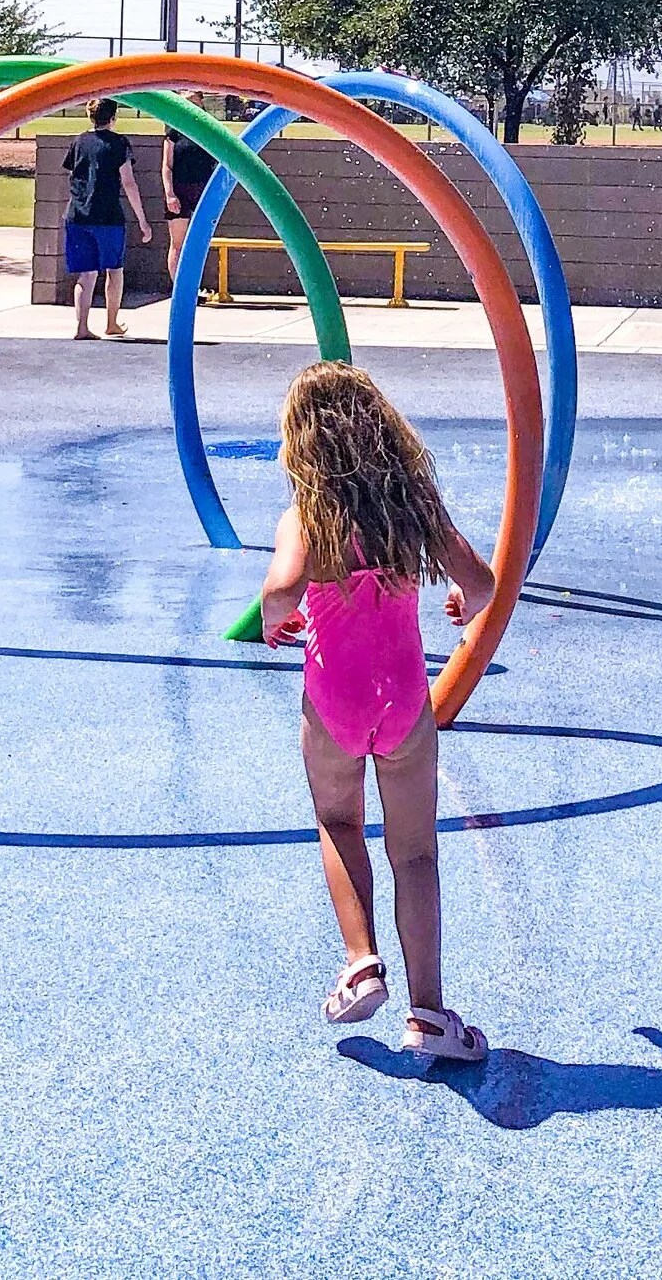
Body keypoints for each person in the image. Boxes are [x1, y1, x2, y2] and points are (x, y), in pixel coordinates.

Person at [257, 363, 495, 1064]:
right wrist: (460, 607)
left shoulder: (308, 513)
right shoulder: (412, 506)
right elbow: (481, 583)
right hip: (403, 701)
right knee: (416, 852)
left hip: (334, 697)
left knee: (337, 821)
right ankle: (429, 1013)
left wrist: (282, 618)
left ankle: (361, 962)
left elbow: (280, 587)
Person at [62, 95, 151, 341]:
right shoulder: (118, 143)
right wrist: (142, 220)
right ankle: (111, 323)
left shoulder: (79, 141)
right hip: (108, 216)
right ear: (113, 118)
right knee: (114, 270)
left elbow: (73, 174)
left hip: (77, 215)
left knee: (86, 274)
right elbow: (129, 183)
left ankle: (81, 327)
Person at [160, 100, 219, 296]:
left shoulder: (208, 129)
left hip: (203, 191)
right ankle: (180, 291)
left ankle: (193, 287)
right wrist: (169, 194)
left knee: (198, 242)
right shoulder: (173, 130)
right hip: (179, 190)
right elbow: (166, 166)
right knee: (177, 243)